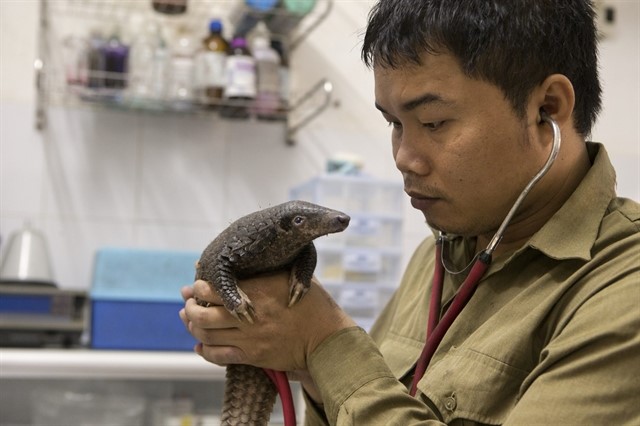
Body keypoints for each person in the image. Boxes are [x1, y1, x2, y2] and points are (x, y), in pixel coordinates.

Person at [180, 0, 640, 424]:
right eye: (395, 124)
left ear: (547, 108)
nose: (404, 157)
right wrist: (311, 367)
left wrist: (325, 343)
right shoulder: (436, 257)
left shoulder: (624, 288)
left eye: (434, 122)